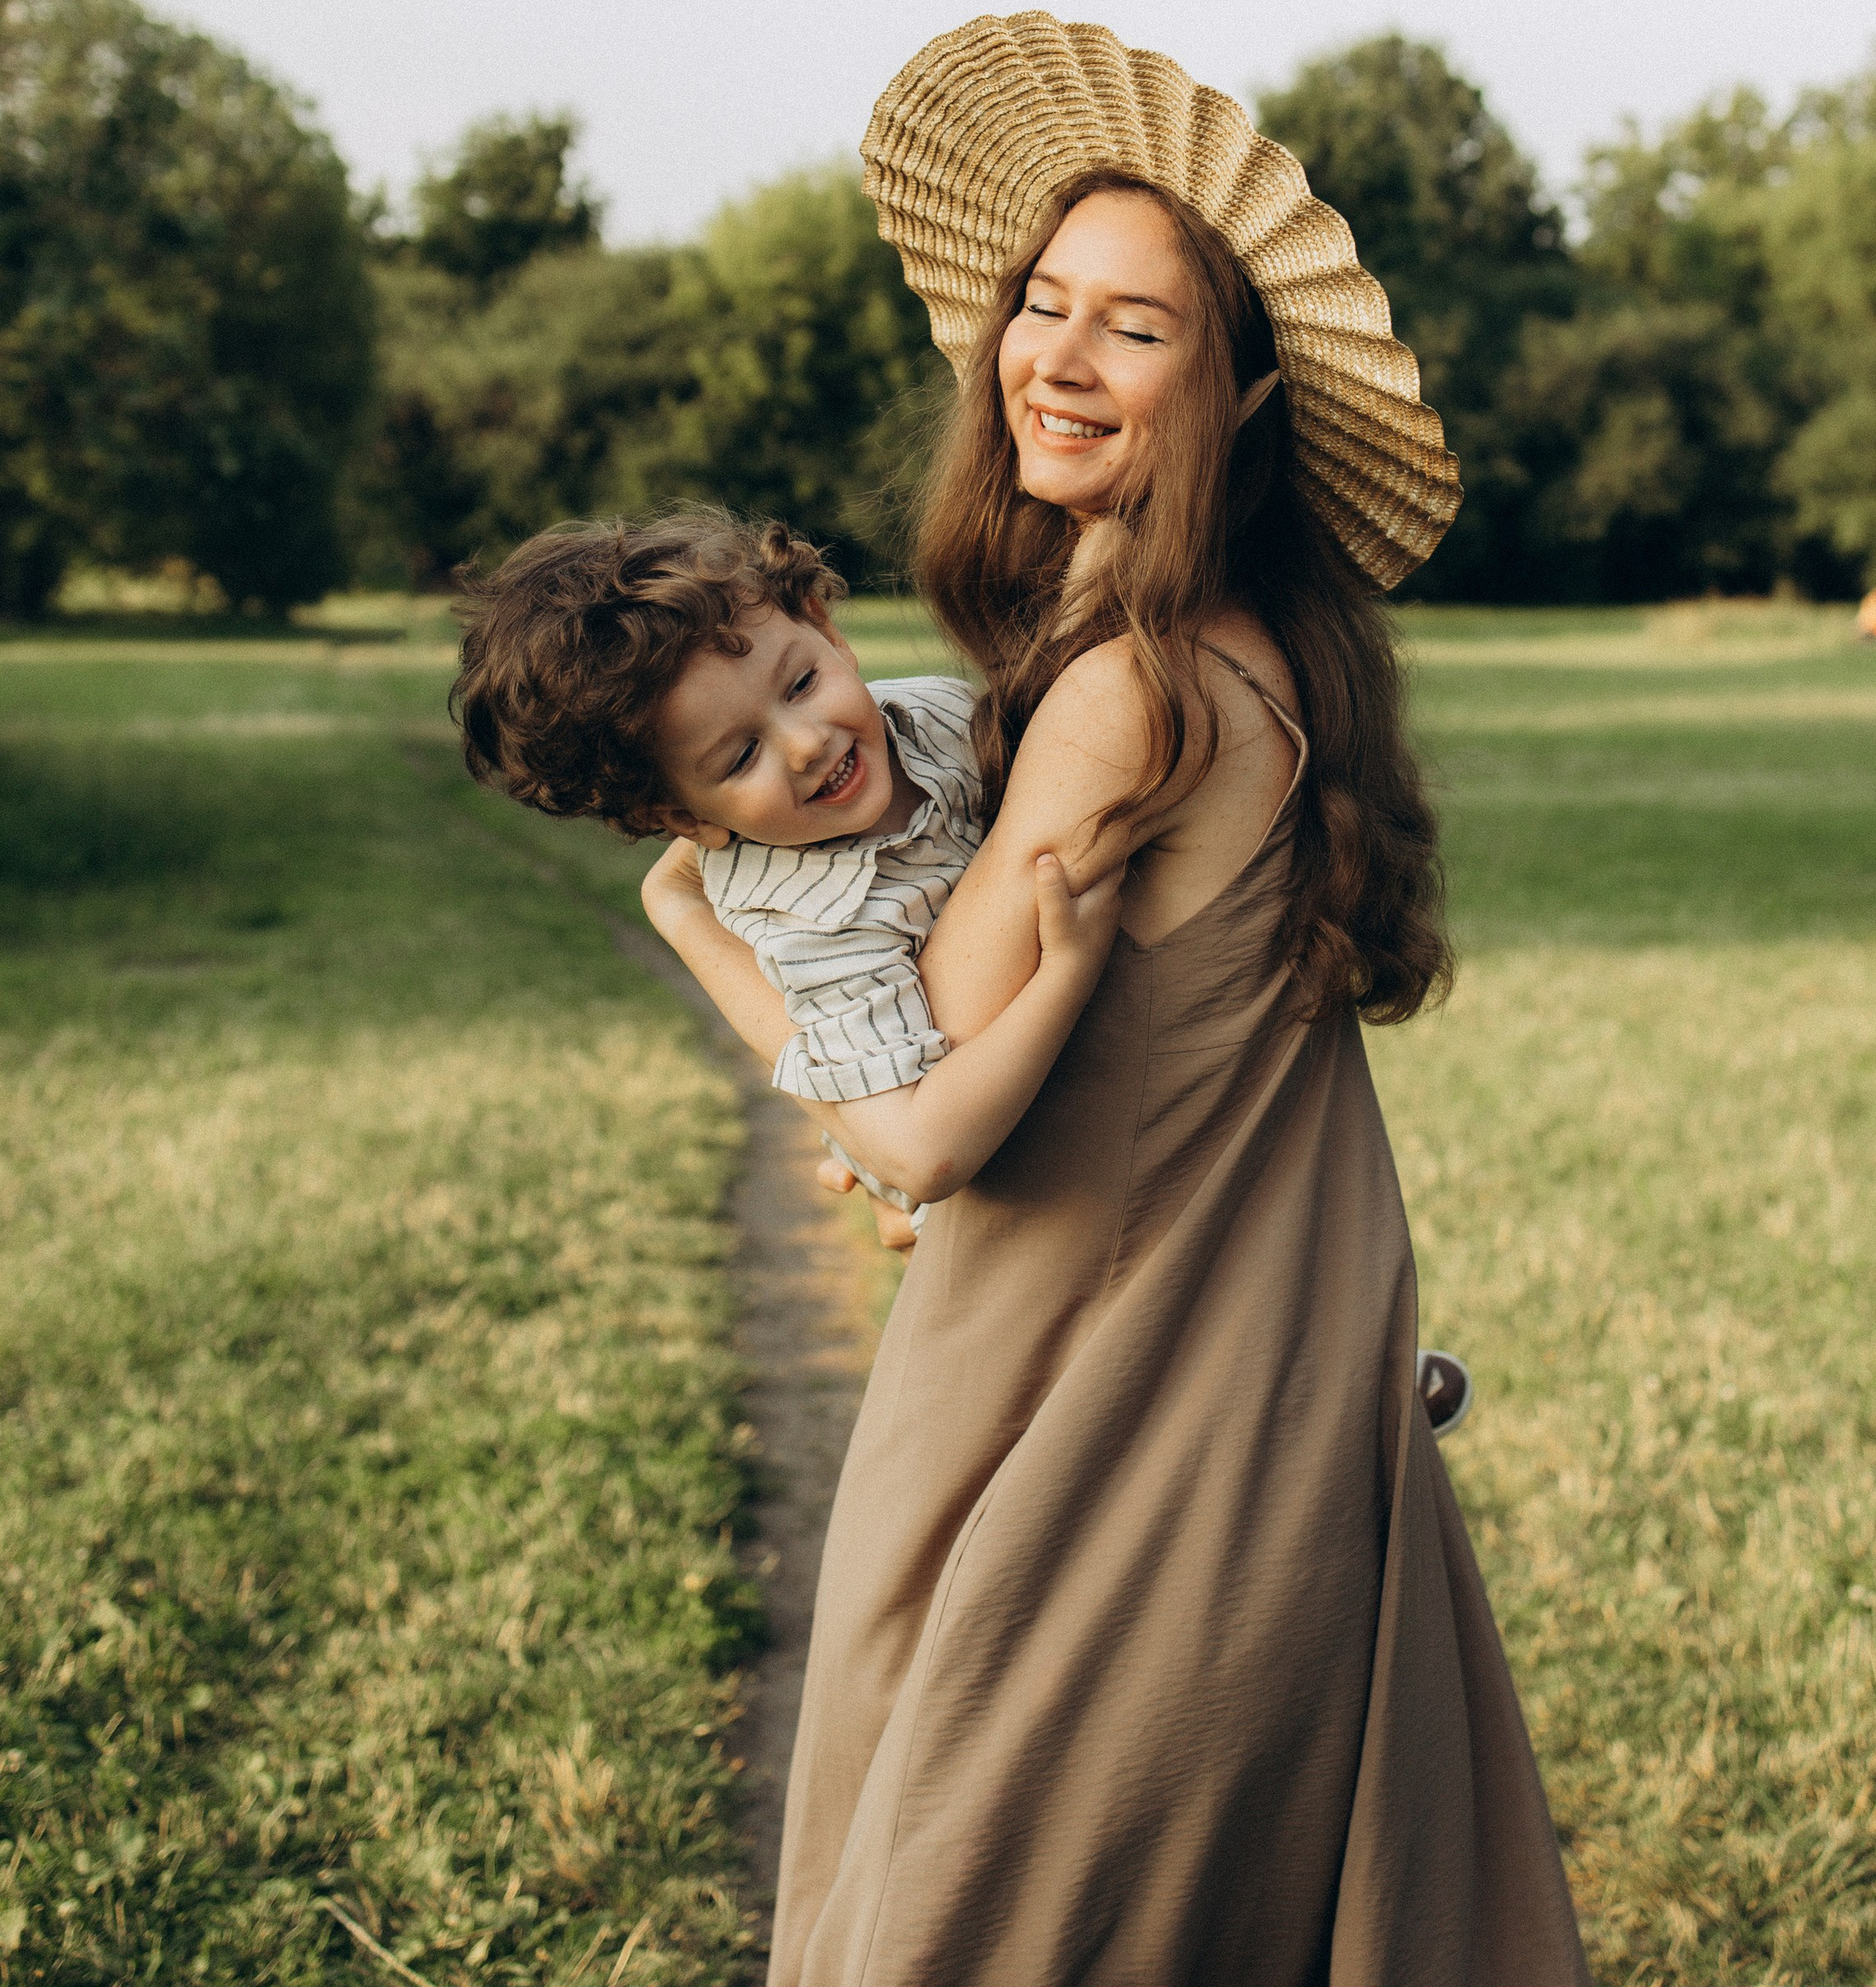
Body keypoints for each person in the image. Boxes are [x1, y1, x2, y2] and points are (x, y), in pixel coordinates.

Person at [650, 12, 1729, 1987]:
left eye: (1130, 326)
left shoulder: (1130, 687)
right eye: (1039, 302)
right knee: (1166, 1920)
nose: (1054, 351)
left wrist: (726, 949)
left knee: (963, 1940)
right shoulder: (1195, 653)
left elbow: (927, 1124)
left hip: (1105, 1390)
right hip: (1190, 1363)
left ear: (1235, 397)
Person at [448, 508, 1476, 1423]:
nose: (806, 742)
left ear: (823, 619)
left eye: (801, 682)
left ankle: (1340, 1367)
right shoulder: (815, 921)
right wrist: (1063, 971)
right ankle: (1313, 1391)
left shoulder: (928, 715)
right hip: (992, 1173)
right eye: (738, 760)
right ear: (679, 817)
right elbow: (923, 1154)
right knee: (1140, 1295)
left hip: (1079, 1075)